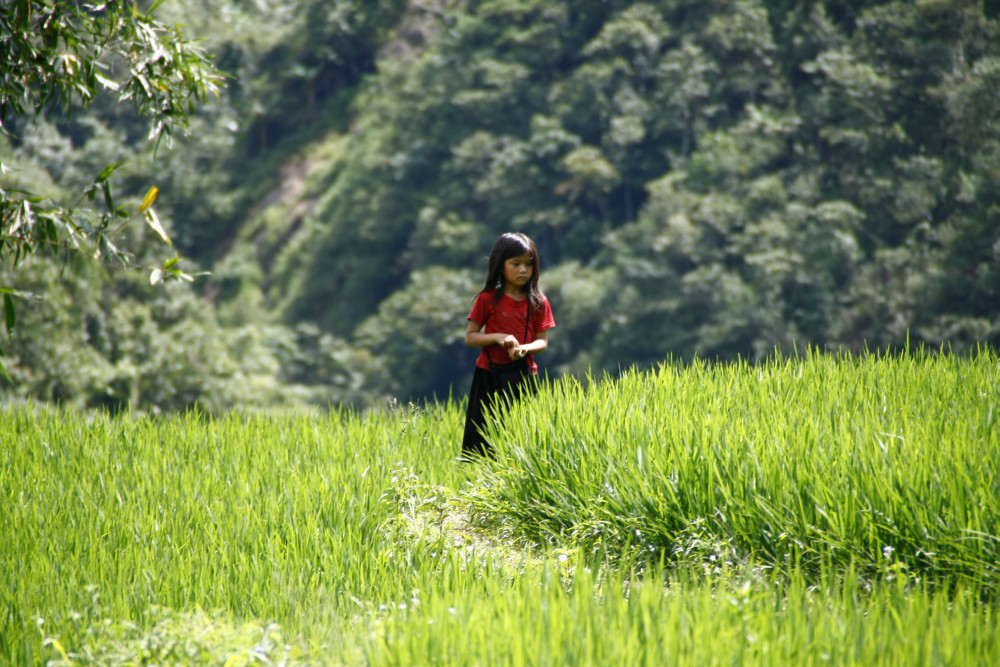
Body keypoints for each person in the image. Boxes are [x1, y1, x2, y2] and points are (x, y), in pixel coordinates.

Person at [461, 232, 556, 459]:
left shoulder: (538, 301)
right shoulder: (487, 299)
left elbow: (542, 342)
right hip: (488, 376)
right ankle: (483, 485)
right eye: (515, 264)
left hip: (522, 376)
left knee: (519, 436)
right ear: (500, 265)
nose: (523, 270)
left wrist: (524, 349)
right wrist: (497, 337)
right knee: (482, 439)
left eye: (528, 265)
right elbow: (471, 337)